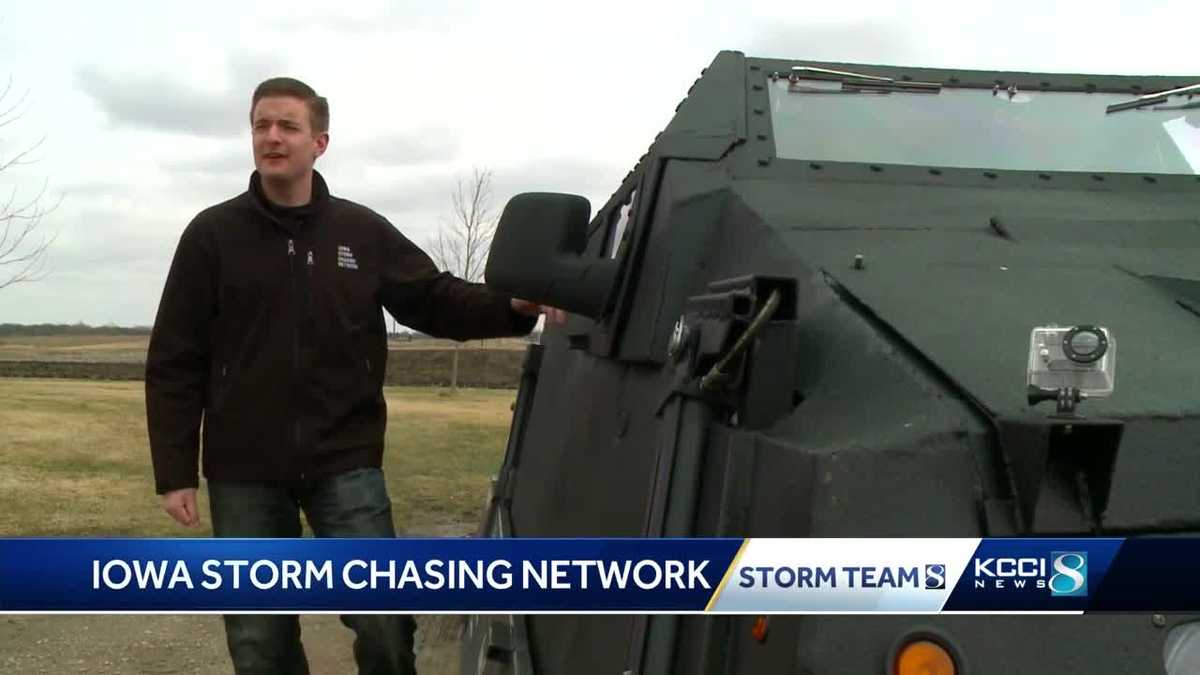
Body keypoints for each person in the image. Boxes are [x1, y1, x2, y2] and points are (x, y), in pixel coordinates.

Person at [145, 77, 562, 675]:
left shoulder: (360, 232)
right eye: (261, 125)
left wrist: (511, 306)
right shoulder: (212, 236)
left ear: (320, 142)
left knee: (384, 622)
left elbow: (433, 298)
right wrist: (175, 472)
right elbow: (174, 361)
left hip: (345, 460)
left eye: (287, 126)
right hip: (244, 470)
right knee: (260, 642)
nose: (271, 137)